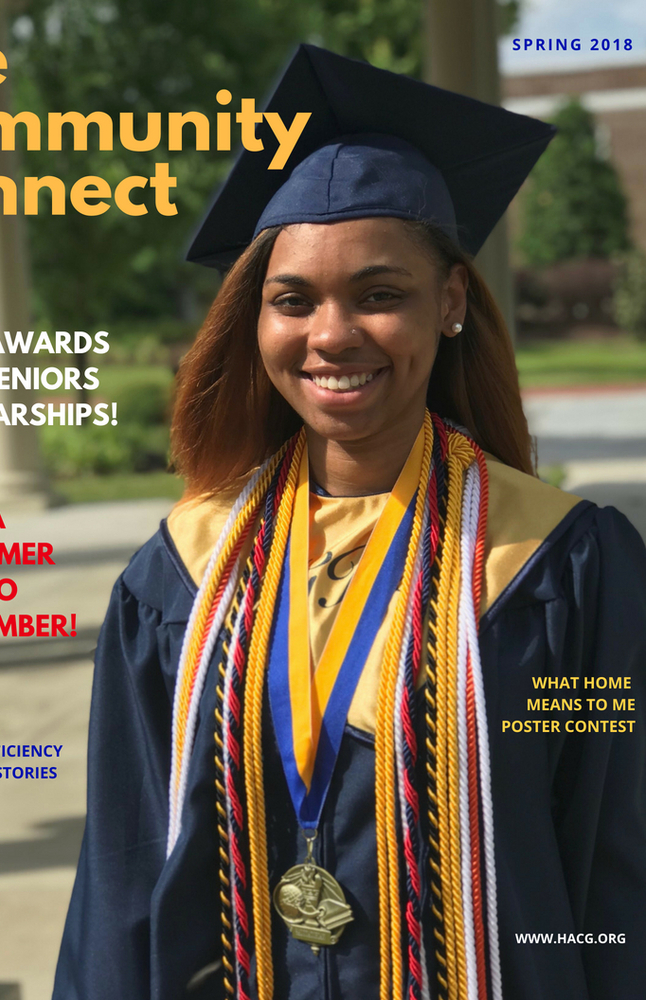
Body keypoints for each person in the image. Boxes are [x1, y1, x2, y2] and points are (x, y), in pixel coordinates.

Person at [52, 44, 646, 1000]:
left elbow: (617, 868)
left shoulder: (557, 564)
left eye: (379, 295)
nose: (331, 334)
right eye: (293, 300)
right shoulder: (178, 577)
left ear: (449, 301)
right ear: (256, 320)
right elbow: (120, 882)